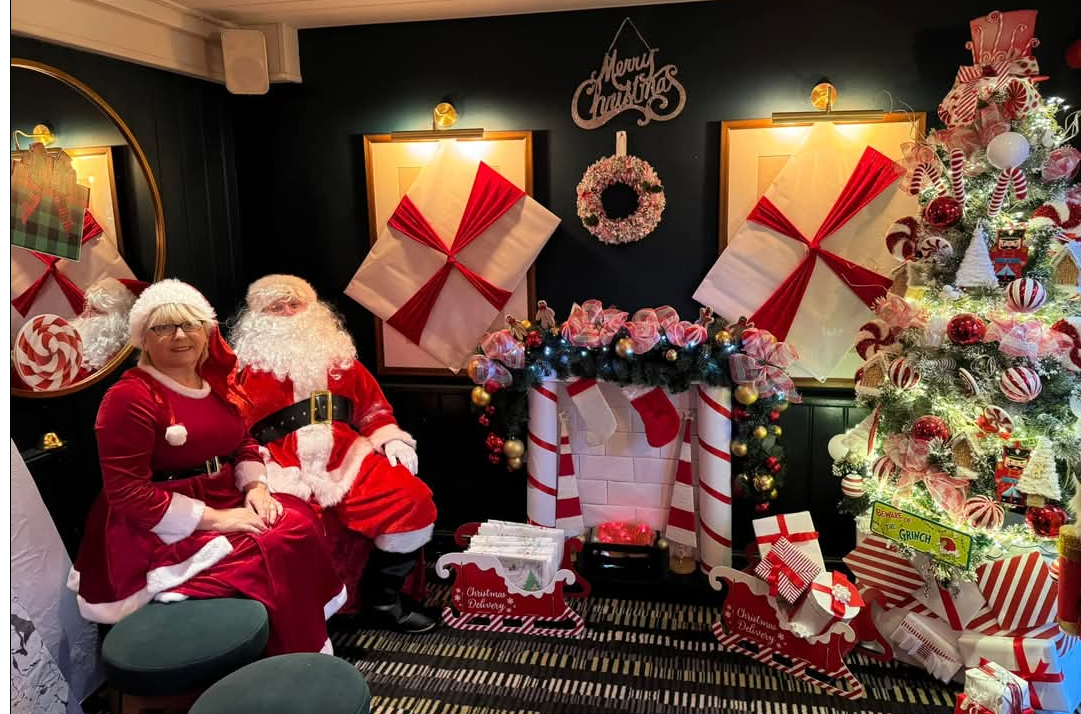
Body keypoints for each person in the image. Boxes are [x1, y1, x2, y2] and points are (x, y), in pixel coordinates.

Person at [69, 279, 346, 655]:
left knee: (297, 518)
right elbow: (127, 493)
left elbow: (243, 442)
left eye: (189, 324)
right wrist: (219, 519)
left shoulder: (216, 384)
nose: (179, 335)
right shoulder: (128, 397)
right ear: (143, 339)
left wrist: (256, 489)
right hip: (155, 523)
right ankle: (272, 663)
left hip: (221, 493)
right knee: (269, 546)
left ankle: (301, 657)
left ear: (205, 331)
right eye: (163, 327)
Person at [229, 274, 438, 634]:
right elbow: (230, 428)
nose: (288, 312)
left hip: (346, 459)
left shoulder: (341, 360)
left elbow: (374, 410)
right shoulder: (241, 370)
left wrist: (392, 440)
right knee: (290, 528)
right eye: (276, 307)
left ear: (312, 309)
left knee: (413, 499)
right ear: (257, 318)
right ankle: (308, 618)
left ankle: (384, 599)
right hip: (280, 465)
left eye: (295, 304)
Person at [71, 277, 138, 373]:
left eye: (95, 310)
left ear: (119, 319)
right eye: (87, 308)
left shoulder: (130, 360)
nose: (85, 315)